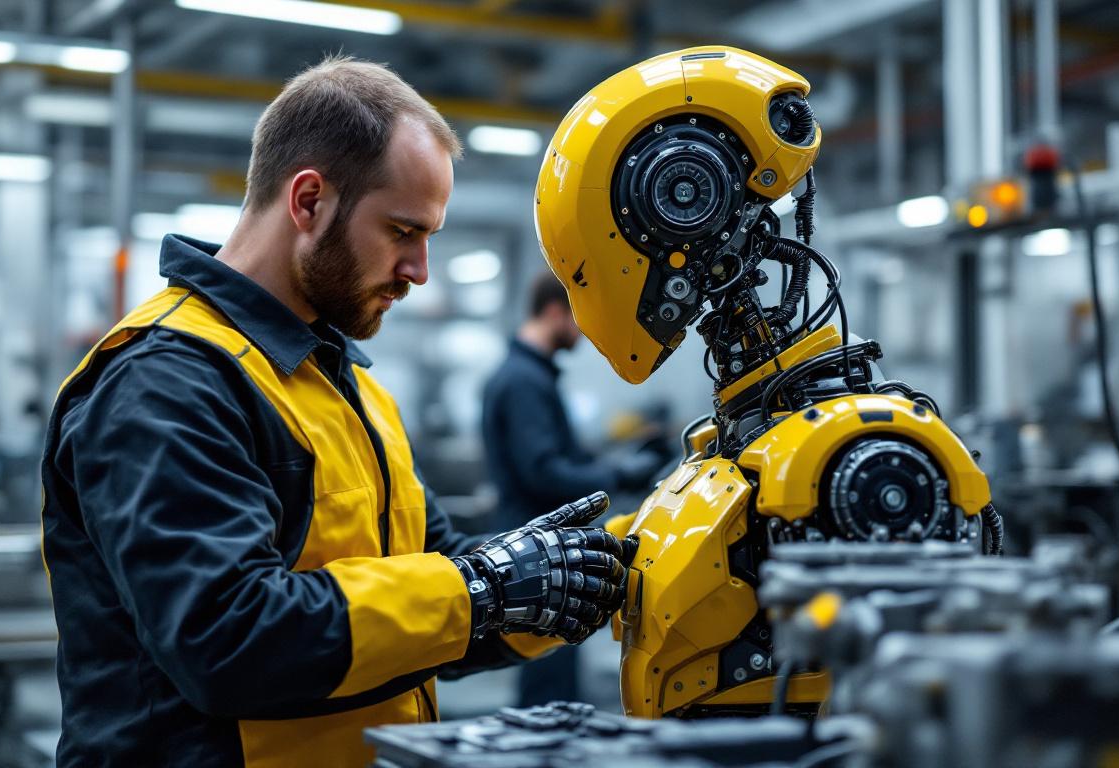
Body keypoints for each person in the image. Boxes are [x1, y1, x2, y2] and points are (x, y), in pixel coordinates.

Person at [39, 57, 634, 768]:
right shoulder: (165, 382)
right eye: (402, 231)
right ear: (310, 201)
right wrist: (483, 588)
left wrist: (606, 560)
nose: (418, 270)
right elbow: (227, 641)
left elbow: (435, 592)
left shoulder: (348, 385)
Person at [481, 272, 666, 705]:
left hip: (542, 553)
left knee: (553, 674)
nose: (585, 330)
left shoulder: (532, 376)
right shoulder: (524, 381)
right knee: (547, 688)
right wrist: (619, 476)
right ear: (553, 312)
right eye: (579, 317)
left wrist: (620, 460)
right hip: (536, 556)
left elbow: (562, 456)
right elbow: (544, 472)